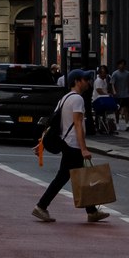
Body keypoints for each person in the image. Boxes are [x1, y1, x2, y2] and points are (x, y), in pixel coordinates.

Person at [33, 70, 109, 224]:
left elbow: (53, 123)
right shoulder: (77, 100)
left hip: (67, 143)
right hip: (73, 145)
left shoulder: (64, 98)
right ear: (77, 81)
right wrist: (84, 149)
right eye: (86, 79)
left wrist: (42, 142)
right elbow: (78, 124)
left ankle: (92, 211)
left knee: (80, 177)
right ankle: (41, 206)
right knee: (63, 178)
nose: (88, 82)